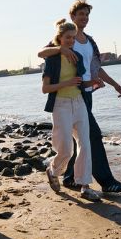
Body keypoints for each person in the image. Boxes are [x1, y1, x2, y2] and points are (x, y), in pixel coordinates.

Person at [37, 0, 121, 194]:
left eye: (87, 15)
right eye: (81, 14)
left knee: (80, 138)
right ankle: (107, 181)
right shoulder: (65, 38)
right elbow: (44, 53)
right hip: (67, 95)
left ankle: (71, 178)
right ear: (72, 16)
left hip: (85, 94)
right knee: (91, 136)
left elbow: (95, 69)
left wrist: (114, 84)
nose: (85, 18)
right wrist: (61, 48)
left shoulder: (90, 42)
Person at [42, 20, 102, 202]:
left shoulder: (77, 56)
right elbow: (45, 88)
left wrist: (93, 83)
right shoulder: (52, 58)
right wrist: (66, 83)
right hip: (61, 105)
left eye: (73, 38)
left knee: (85, 143)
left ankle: (85, 186)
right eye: (67, 37)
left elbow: (81, 83)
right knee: (66, 150)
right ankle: (53, 171)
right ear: (59, 38)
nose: (71, 41)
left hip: (79, 102)